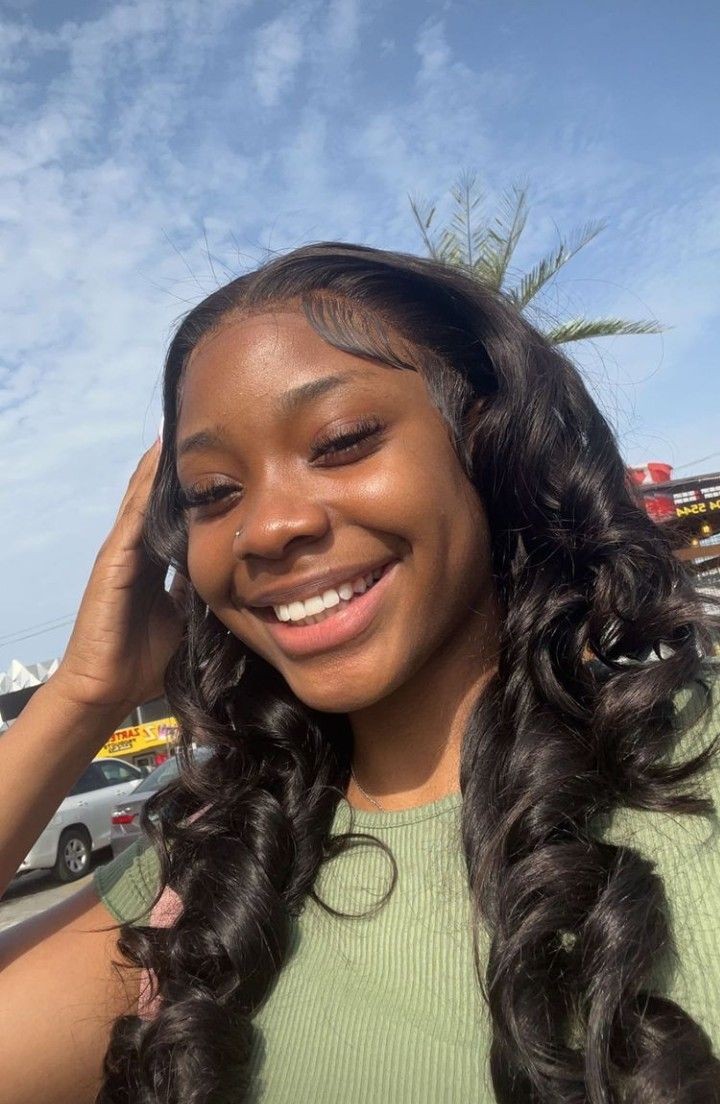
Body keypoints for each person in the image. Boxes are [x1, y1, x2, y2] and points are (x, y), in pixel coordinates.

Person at [1, 242, 718, 1104]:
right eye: (214, 493)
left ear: (487, 443)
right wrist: (84, 694)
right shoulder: (210, 879)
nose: (268, 527)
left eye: (341, 442)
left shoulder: (694, 764)